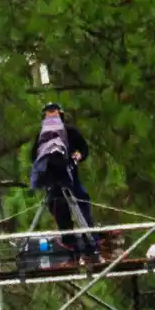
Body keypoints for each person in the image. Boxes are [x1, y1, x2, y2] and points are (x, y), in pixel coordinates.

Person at [28, 102, 94, 250]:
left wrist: (79, 155)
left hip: (70, 174)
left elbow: (83, 148)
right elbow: (34, 157)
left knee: (81, 202)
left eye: (55, 114)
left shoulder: (70, 132)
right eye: (49, 115)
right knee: (59, 207)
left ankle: (89, 238)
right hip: (52, 179)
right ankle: (69, 241)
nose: (52, 118)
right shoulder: (41, 136)